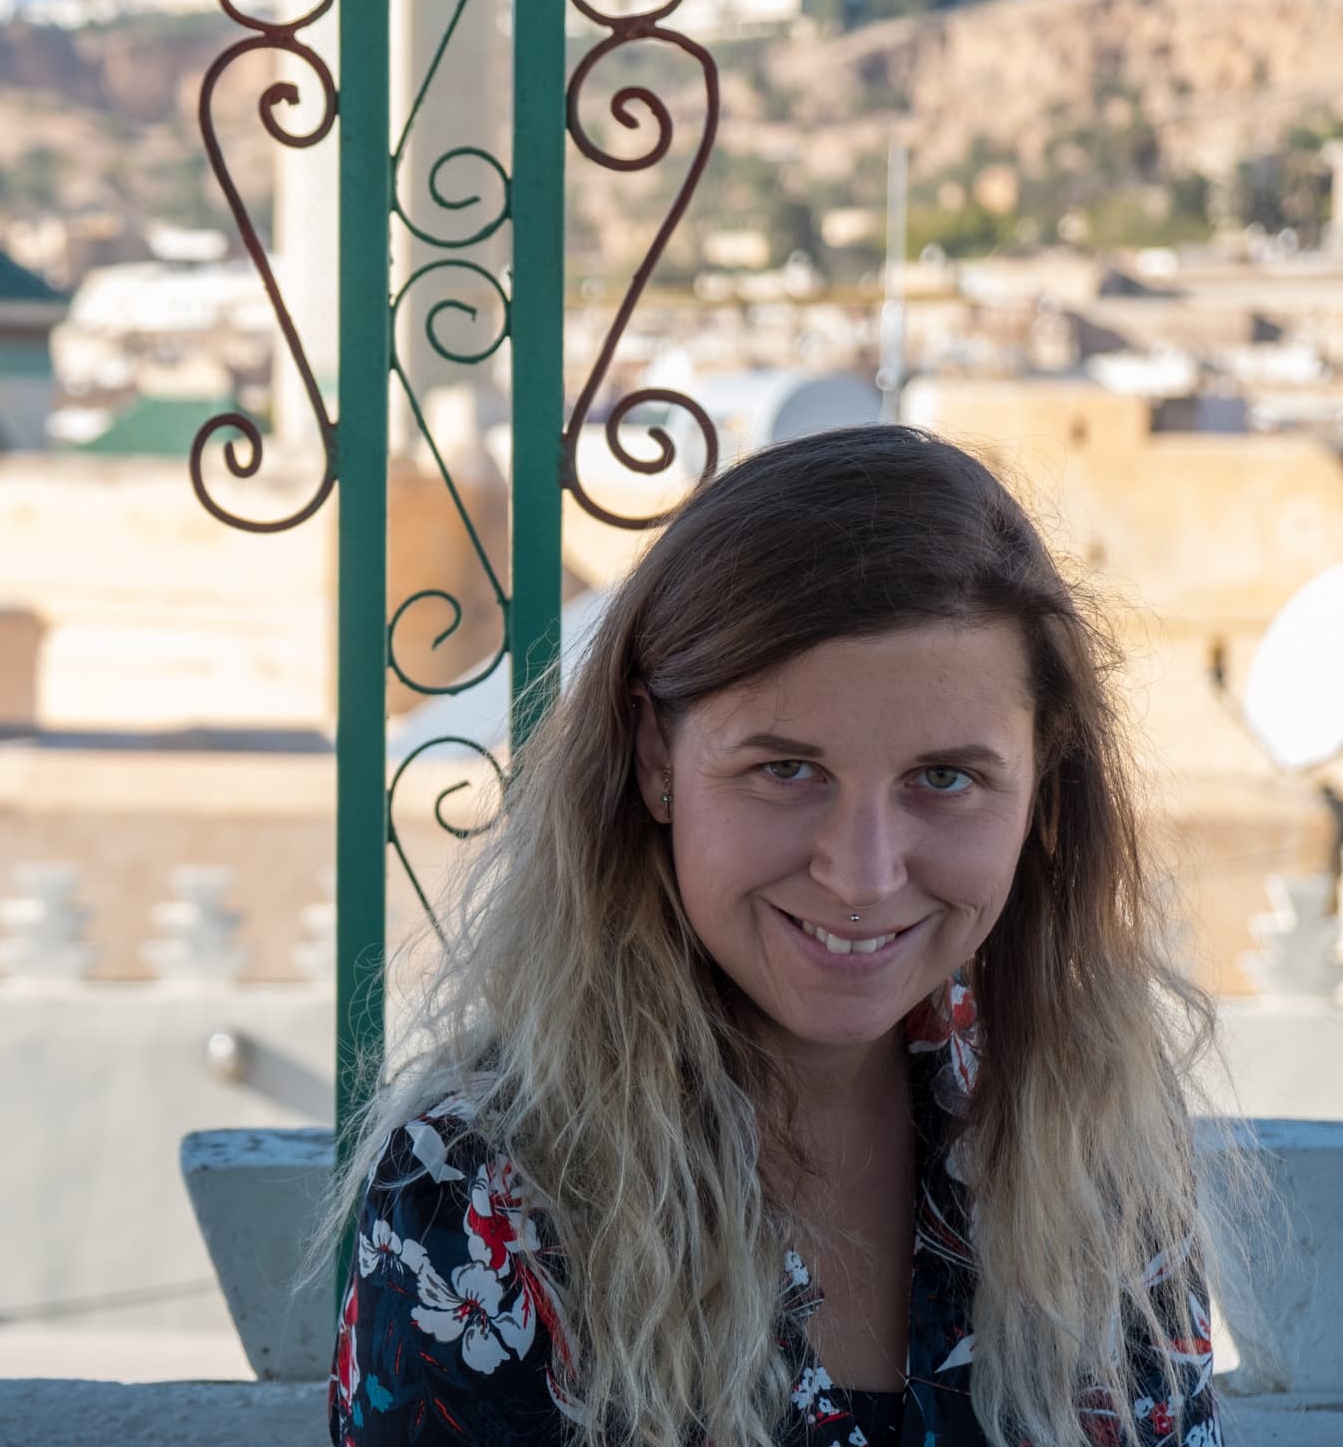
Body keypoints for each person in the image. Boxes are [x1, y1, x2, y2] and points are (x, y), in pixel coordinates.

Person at [327, 426, 1252, 1447]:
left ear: (1043, 788)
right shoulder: (484, 1187)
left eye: (944, 778)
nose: (861, 874)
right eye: (785, 769)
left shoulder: (1092, 1143)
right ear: (654, 758)